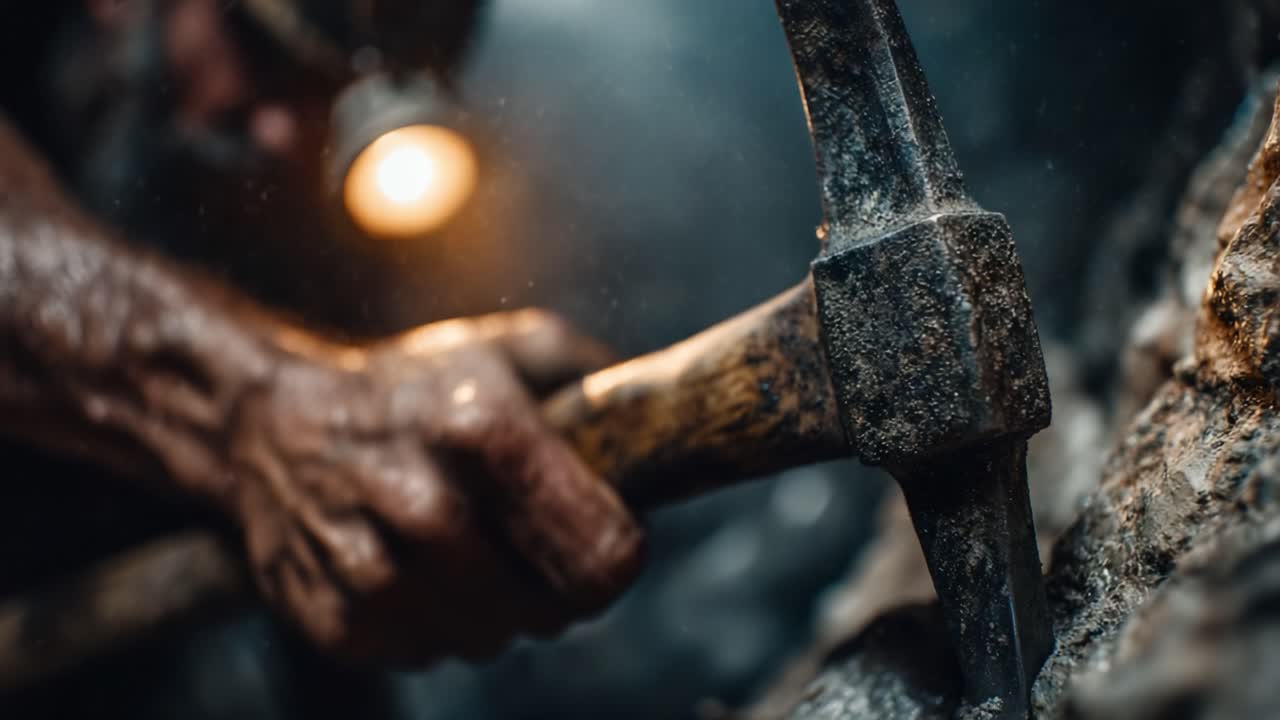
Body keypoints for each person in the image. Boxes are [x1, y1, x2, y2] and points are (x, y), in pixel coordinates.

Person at [0, 0, 643, 666]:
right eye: (254, 46)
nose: (281, 134)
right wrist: (250, 403)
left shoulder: (318, 209)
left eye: (325, 97)